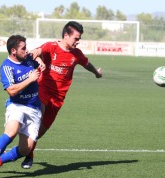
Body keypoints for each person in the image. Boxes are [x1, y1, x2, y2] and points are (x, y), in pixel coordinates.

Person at [19, 21, 103, 169]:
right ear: (66, 35)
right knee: (38, 118)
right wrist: (38, 58)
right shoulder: (51, 47)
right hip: (42, 90)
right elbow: (34, 52)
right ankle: (27, 152)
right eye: (76, 38)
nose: (78, 41)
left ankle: (29, 150)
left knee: (39, 132)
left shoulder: (76, 54)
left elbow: (86, 64)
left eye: (79, 39)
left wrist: (97, 73)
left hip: (59, 98)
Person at [0, 35, 45, 177]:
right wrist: (30, 79)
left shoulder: (28, 58)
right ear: (13, 50)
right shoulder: (7, 67)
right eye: (23, 48)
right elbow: (12, 91)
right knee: (11, 131)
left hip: (34, 108)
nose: (26, 50)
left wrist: (40, 60)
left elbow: (38, 56)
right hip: (17, 105)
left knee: (25, 149)